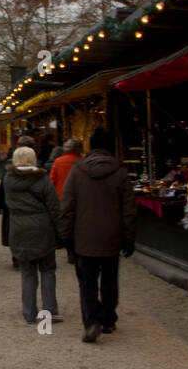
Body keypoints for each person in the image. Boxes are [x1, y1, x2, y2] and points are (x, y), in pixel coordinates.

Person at [58, 127, 138, 343]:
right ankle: (109, 318)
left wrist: (65, 236)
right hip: (112, 234)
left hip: (83, 235)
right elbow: (129, 208)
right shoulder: (120, 171)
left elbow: (68, 205)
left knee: (87, 282)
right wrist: (129, 237)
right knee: (110, 280)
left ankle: (92, 321)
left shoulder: (77, 170)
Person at [3, 146, 62, 325]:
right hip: (42, 227)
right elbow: (53, 206)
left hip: (19, 227)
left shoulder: (8, 180)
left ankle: (29, 312)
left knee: (27, 272)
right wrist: (60, 230)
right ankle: (50, 310)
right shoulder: (41, 179)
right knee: (47, 270)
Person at [0, 135, 36, 269]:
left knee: (14, 232)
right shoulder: (38, 170)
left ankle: (17, 258)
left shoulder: (9, 171)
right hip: (32, 209)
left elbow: (2, 190)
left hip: (12, 208)